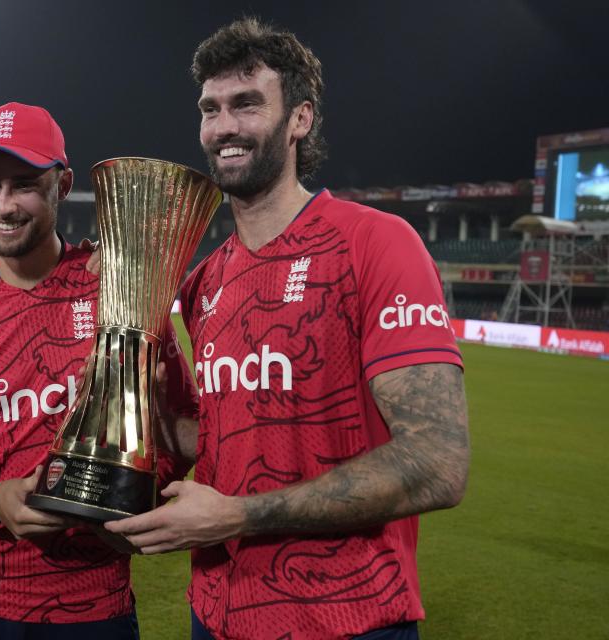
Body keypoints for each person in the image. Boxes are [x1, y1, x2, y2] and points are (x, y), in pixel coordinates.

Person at [106, 18, 470, 640]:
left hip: (346, 617)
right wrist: (139, 399)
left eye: (247, 104)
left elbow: (438, 462)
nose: (223, 127)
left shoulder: (374, 245)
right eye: (210, 108)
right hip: (215, 612)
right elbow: (225, 434)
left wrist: (238, 517)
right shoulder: (203, 281)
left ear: (300, 118)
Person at [0, 102, 197, 639]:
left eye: (23, 184)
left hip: (92, 603)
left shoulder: (123, 294)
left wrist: (129, 501)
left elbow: (184, 428)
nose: (3, 205)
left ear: (63, 184)